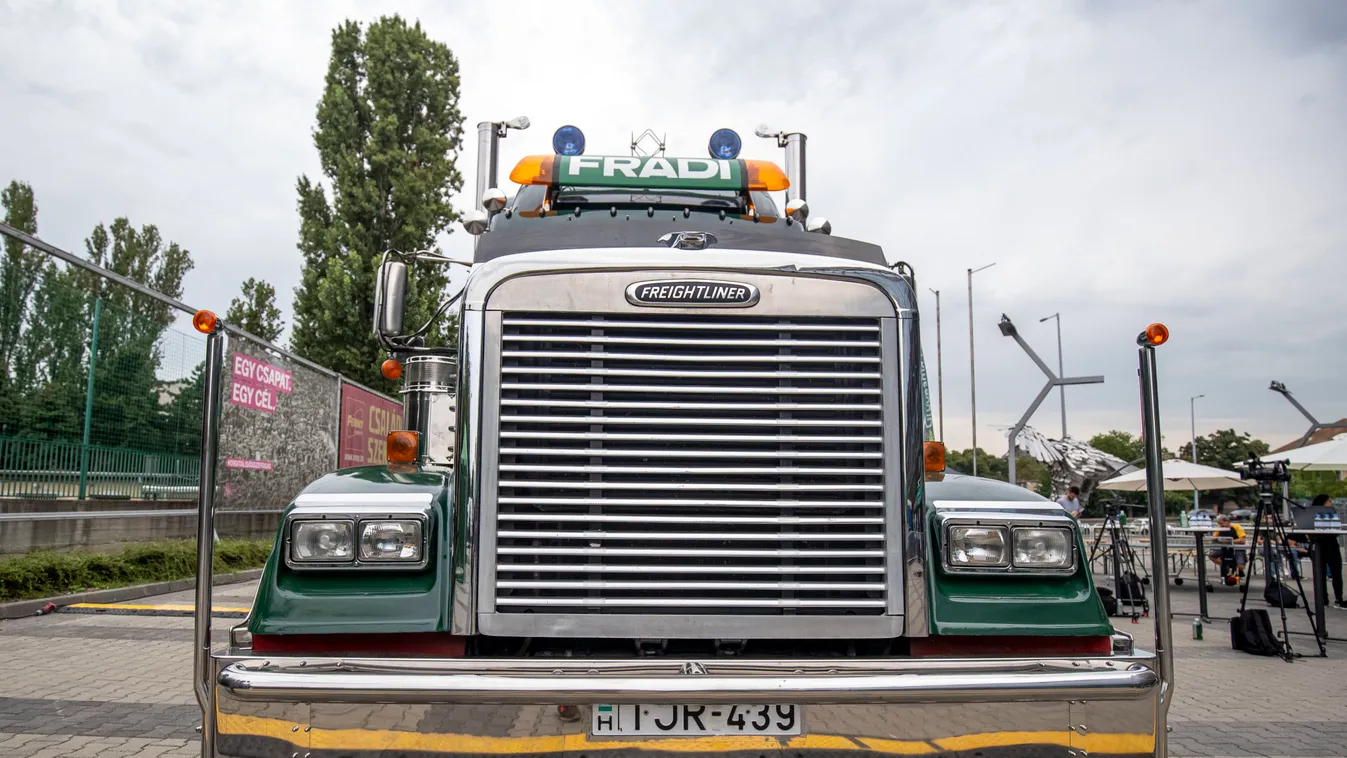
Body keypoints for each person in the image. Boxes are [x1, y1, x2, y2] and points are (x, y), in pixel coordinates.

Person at [1309, 495, 1346, 610]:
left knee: (1335, 573)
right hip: (1322, 545)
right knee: (1321, 573)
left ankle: (1337, 598)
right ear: (1323, 503)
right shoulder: (1314, 514)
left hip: (1329, 545)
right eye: (1329, 501)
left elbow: (1336, 529)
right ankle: (1323, 598)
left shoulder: (1331, 513)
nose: (1331, 502)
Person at [1208, 514, 1247, 581]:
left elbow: (1242, 540)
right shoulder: (1220, 528)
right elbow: (1213, 538)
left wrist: (1227, 541)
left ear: (1227, 521)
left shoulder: (1237, 527)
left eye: (1221, 523)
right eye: (1219, 524)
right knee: (1212, 556)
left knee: (1240, 566)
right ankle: (1227, 567)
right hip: (1224, 549)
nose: (1220, 525)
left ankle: (1240, 566)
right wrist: (1216, 540)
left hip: (1237, 548)